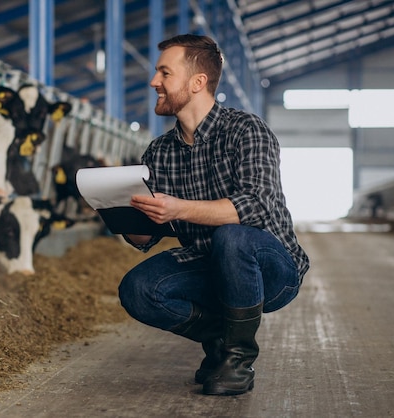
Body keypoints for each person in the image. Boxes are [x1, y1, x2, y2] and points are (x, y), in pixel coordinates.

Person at [118, 34, 310, 396]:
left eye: (164, 73)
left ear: (197, 82)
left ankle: (238, 360)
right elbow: (147, 237)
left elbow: (255, 205)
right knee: (137, 289)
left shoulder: (246, 130)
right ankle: (222, 340)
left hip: (270, 269)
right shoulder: (158, 152)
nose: (153, 82)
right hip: (208, 264)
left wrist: (178, 208)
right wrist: (122, 215)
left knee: (232, 235)